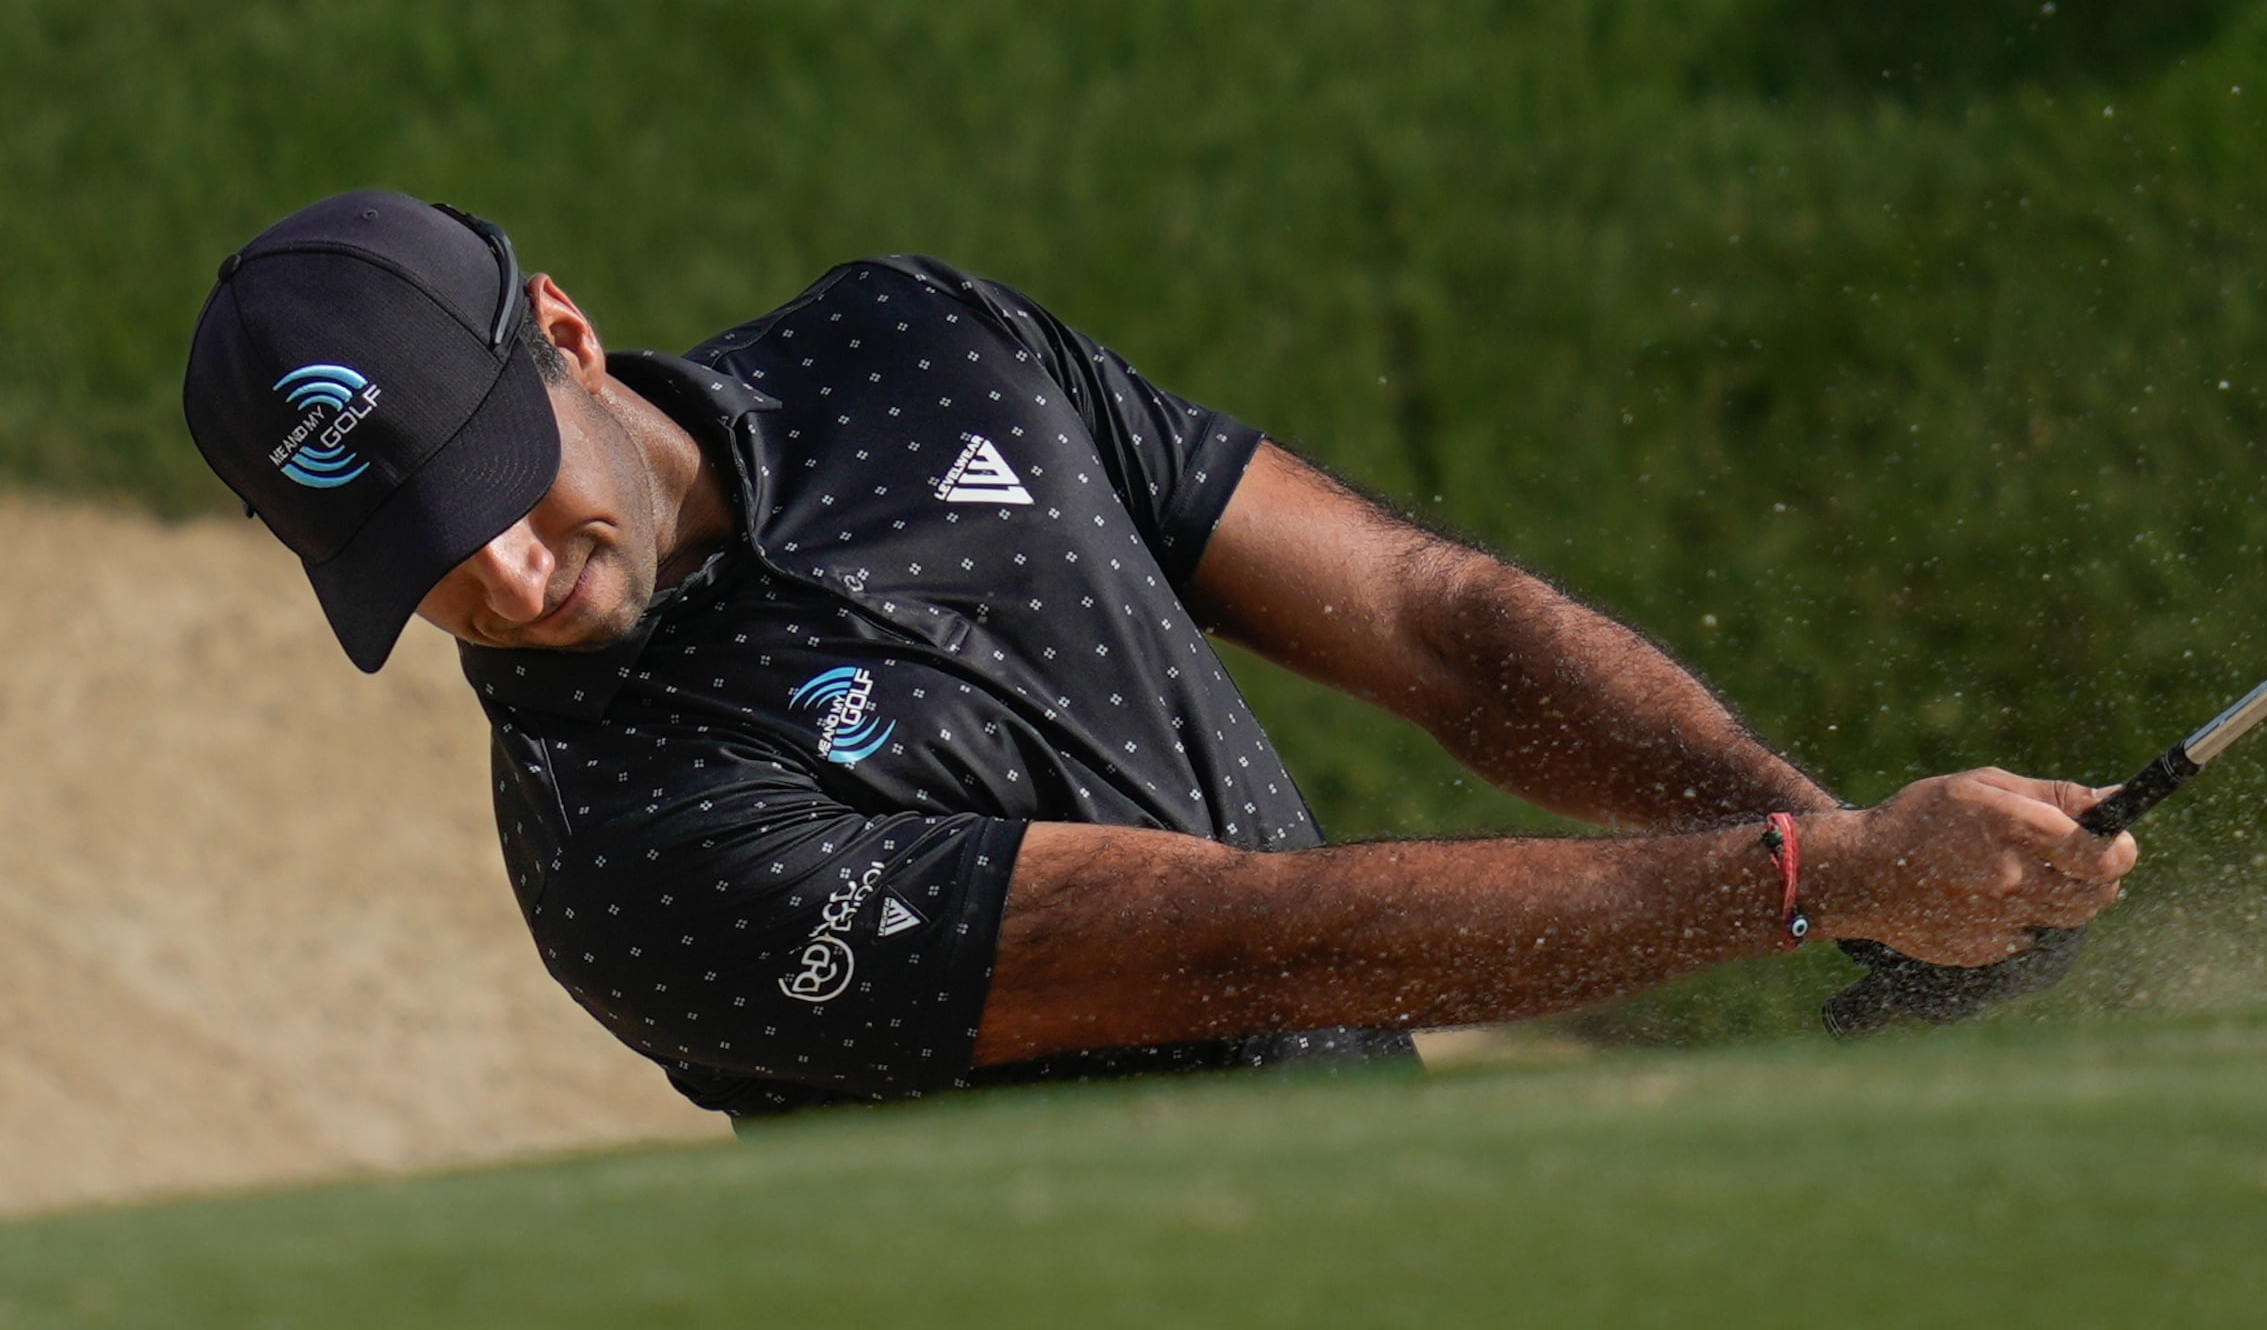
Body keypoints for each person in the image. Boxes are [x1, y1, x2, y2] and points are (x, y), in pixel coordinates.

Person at [182, 190, 2134, 1118]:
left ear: (568, 334)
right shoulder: (627, 847)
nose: (510, 578)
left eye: (500, 483)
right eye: (420, 563)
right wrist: (1827, 884)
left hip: (1390, 1221)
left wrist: (1841, 858)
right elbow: (1252, 944)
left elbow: (1443, 630)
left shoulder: (910, 350)